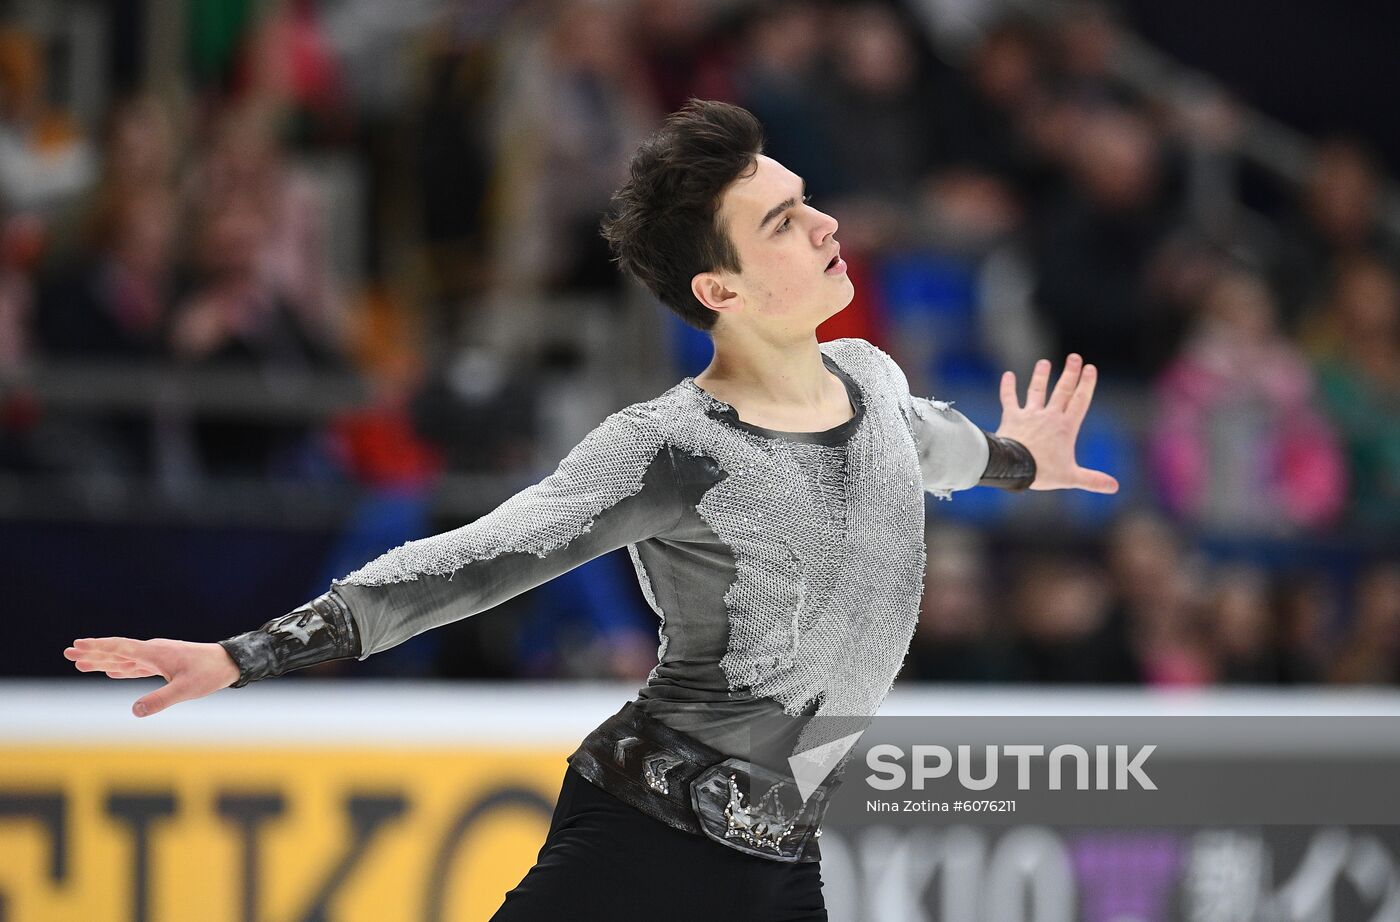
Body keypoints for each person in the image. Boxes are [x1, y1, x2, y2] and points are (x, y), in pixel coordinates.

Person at [64, 100, 1117, 921]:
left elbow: (936, 443)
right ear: (721, 288)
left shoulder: (869, 376)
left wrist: (1024, 462)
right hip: (650, 839)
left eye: (808, 202)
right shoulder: (673, 445)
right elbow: (475, 558)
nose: (827, 223)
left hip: (781, 852)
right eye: (786, 221)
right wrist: (248, 653)